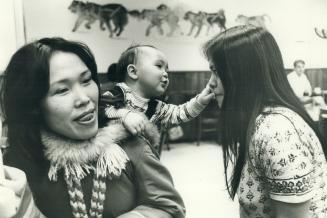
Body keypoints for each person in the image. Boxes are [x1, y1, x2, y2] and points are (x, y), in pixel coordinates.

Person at [1, 37, 185, 218]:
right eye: (62, 90)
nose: (84, 98)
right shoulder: (16, 163)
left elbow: (169, 207)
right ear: (33, 105)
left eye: (86, 80)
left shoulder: (130, 145)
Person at [203, 25, 327, 218]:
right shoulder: (261, 122)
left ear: (244, 74)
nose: (210, 83)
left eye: (217, 72)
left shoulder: (277, 135)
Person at [101, 45, 214, 138]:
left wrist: (200, 102)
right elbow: (100, 109)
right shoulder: (117, 94)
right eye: (159, 66)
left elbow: (180, 113)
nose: (166, 74)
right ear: (133, 72)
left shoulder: (157, 106)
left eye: (167, 69)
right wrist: (124, 115)